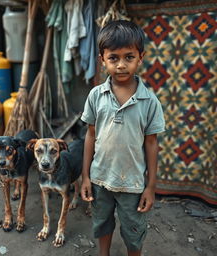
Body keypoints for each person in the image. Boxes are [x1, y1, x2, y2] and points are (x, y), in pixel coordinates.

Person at [80, 20, 165, 256]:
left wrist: (150, 187)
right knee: (102, 224)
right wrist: (85, 176)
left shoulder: (149, 102)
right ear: (102, 59)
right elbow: (90, 136)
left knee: (134, 231)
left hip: (133, 184)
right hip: (100, 179)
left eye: (129, 57)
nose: (121, 65)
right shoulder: (96, 96)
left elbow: (151, 143)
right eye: (113, 58)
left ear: (141, 57)